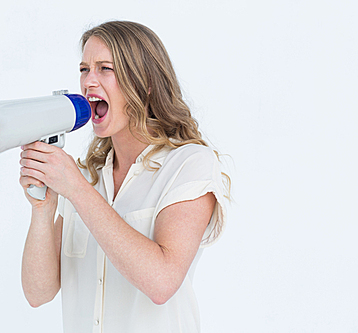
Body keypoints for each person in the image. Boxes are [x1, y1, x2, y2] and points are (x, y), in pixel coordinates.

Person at [19, 20, 229, 333]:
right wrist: (43, 209)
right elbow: (39, 293)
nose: (89, 81)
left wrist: (75, 189)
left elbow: (161, 282)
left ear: (145, 82)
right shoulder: (86, 177)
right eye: (84, 69)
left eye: (105, 68)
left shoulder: (190, 165)